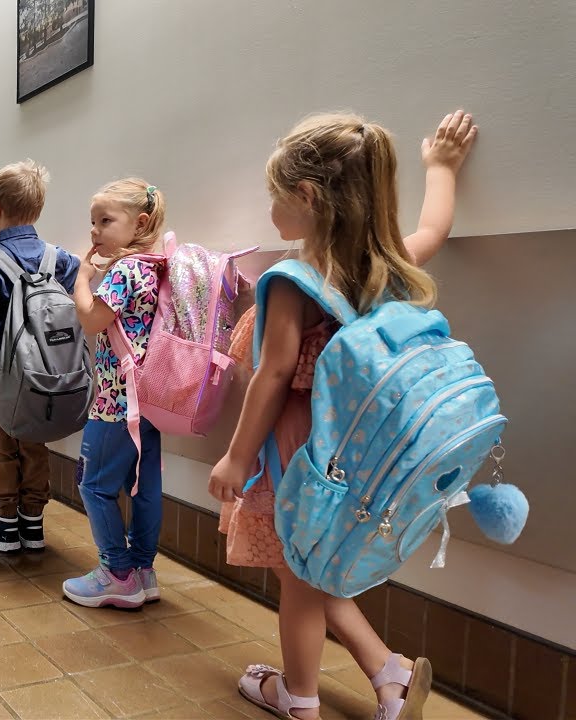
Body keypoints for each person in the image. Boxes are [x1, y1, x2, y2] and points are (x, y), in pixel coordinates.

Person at [209, 110, 478, 720]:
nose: (271, 209)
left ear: (307, 197)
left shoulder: (294, 280)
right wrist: (441, 168)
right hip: (358, 447)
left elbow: (275, 374)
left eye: (275, 196)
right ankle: (390, 675)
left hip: (297, 447)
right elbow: (435, 226)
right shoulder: (386, 266)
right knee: (308, 566)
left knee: (301, 581)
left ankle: (298, 696)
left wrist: (237, 456)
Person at [0, 160, 80, 551]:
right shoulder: (59, 259)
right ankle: (33, 524)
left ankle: (4, 526)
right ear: (38, 209)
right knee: (34, 443)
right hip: (47, 375)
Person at [61, 180, 167, 608]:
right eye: (93, 222)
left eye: (106, 221)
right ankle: (143, 569)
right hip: (148, 398)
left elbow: (91, 319)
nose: (95, 232)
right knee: (143, 487)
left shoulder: (125, 270)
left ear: (139, 223)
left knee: (92, 485)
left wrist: (83, 280)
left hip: (115, 403)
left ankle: (117, 573)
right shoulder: (155, 265)